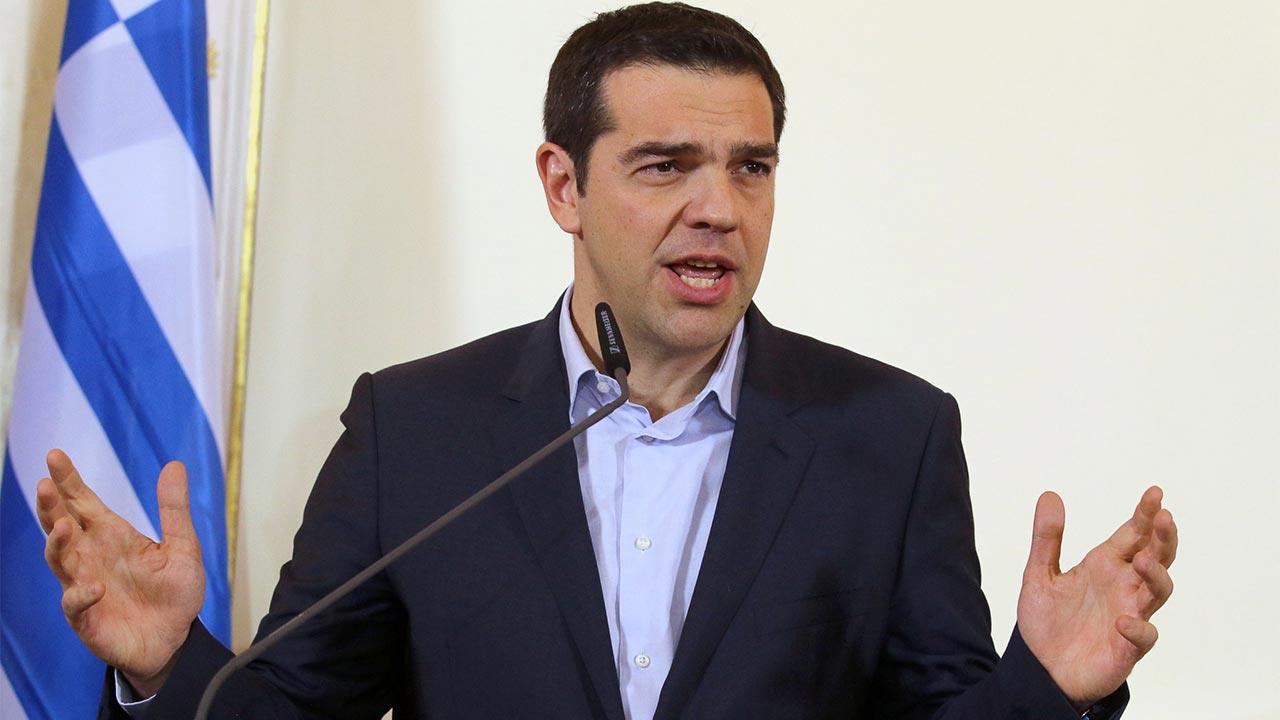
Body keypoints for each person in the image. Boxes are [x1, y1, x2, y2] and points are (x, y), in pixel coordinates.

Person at [36, 3, 1177, 719]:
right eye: (665, 165)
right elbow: (288, 711)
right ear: (562, 185)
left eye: (750, 167)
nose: (717, 207)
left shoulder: (889, 435)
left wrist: (1046, 688)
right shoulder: (414, 432)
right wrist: (166, 666)